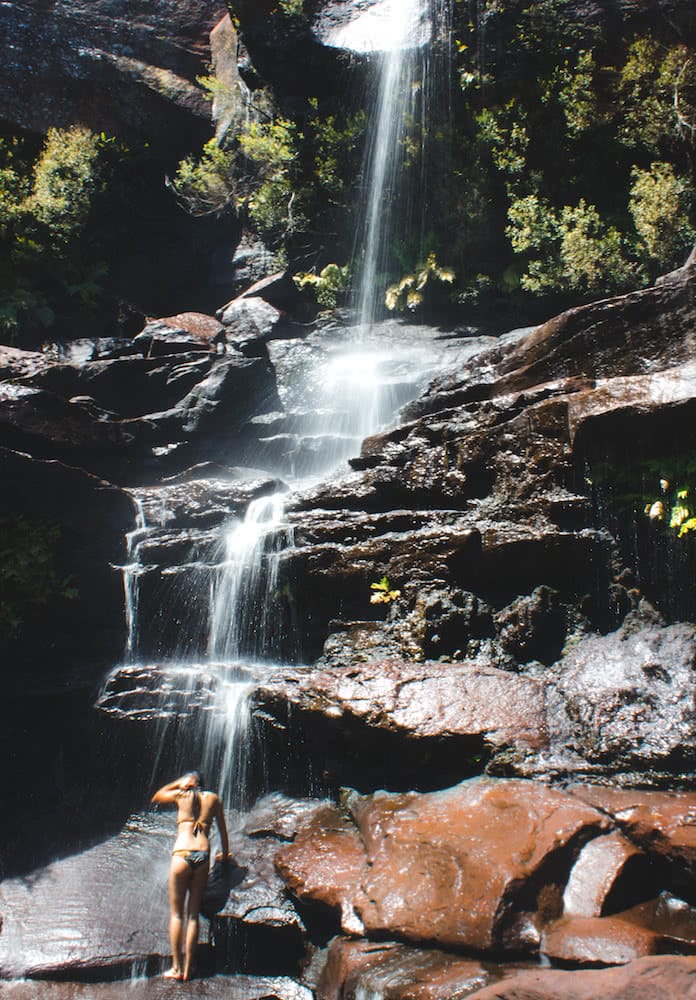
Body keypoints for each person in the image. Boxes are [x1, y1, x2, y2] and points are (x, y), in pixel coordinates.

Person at [152, 770, 232, 981]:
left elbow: (157, 796)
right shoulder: (213, 798)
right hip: (201, 855)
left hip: (182, 853)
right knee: (193, 915)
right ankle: (189, 968)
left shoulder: (181, 795)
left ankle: (176, 968)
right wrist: (225, 856)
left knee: (177, 915)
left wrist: (178, 783)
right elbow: (223, 832)